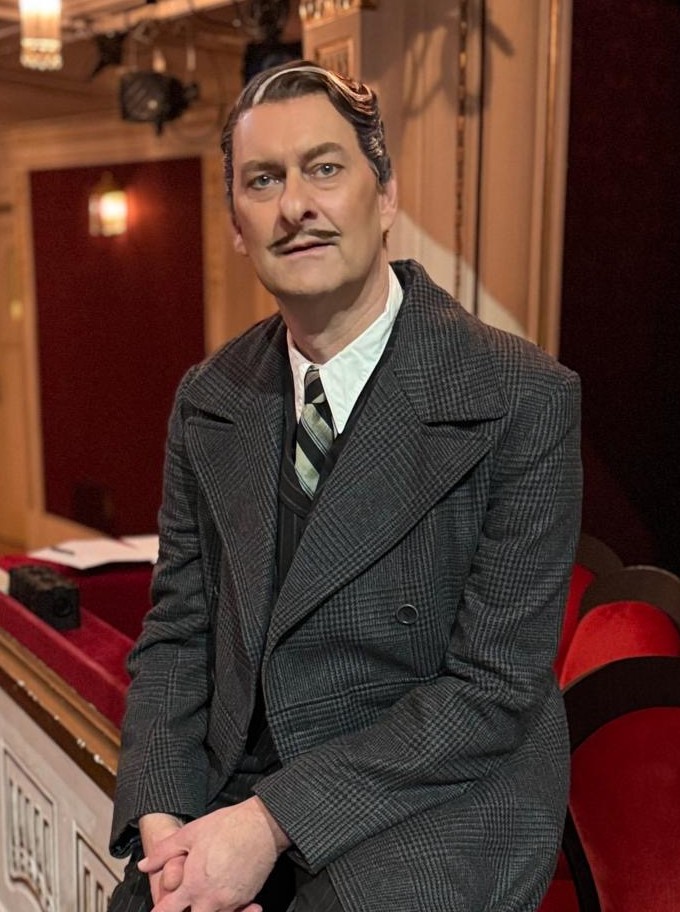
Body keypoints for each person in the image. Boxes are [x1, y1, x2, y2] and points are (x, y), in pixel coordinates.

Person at [108, 60, 582, 912]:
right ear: (237, 226)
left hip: (438, 792)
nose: (295, 205)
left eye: (324, 168)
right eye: (264, 181)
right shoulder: (209, 397)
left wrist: (269, 823)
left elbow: (492, 691)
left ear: (385, 194)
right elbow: (178, 634)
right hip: (241, 780)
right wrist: (163, 826)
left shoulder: (524, 397)